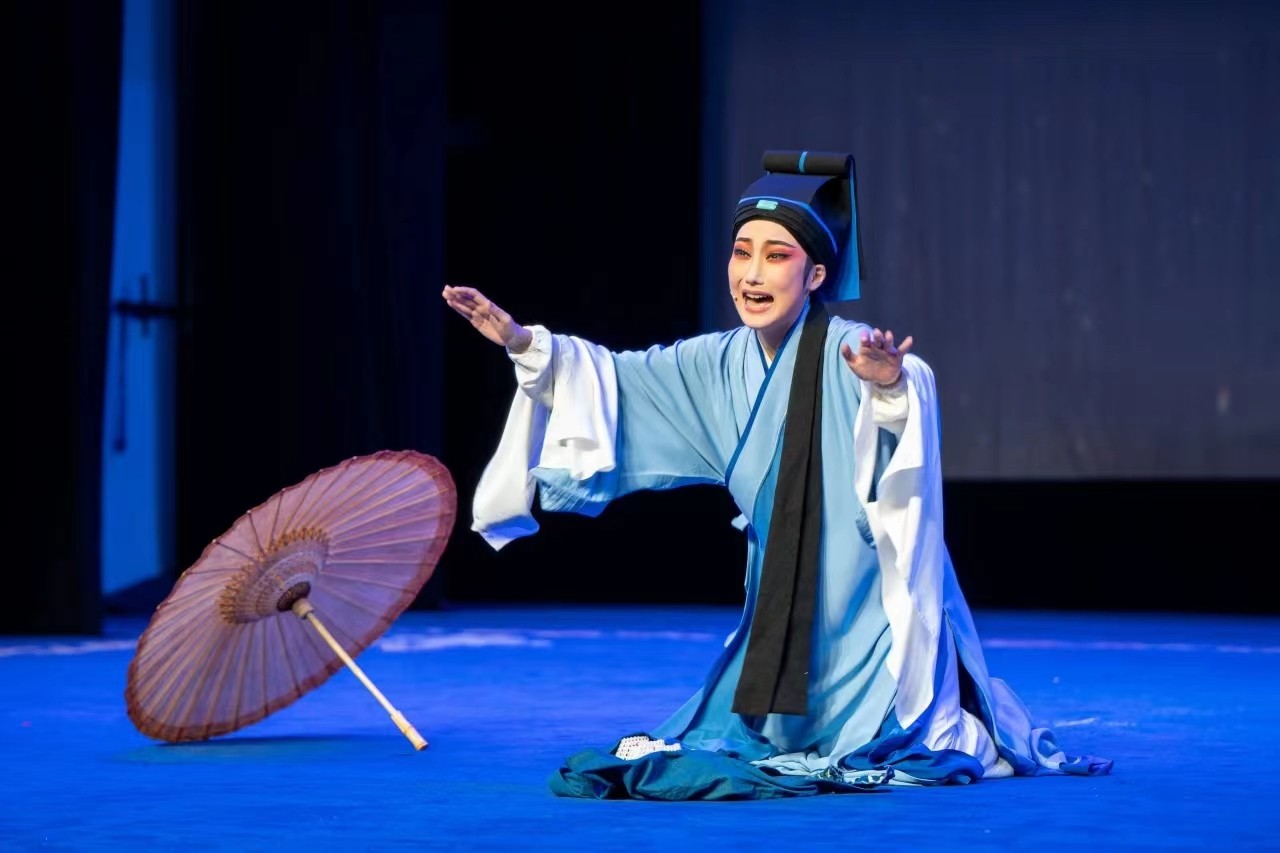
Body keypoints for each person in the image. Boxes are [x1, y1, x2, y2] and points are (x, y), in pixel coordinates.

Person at [443, 150, 1112, 800]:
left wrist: (889, 387)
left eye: (776, 255)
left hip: (869, 600)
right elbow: (617, 383)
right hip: (781, 597)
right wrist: (524, 343)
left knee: (883, 737)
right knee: (743, 740)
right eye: (742, 253)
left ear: (816, 274)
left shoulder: (852, 350)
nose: (752, 274)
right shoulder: (715, 363)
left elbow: (906, 422)